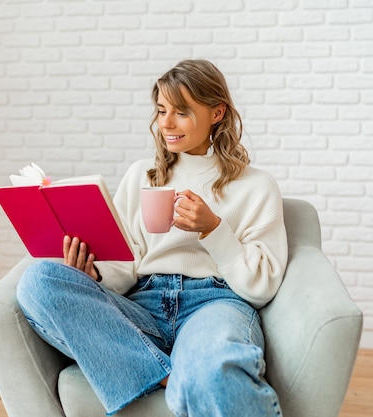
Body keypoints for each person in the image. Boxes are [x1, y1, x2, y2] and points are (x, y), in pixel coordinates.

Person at [17, 59, 288, 417]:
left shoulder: (256, 187)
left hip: (214, 303)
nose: (166, 123)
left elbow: (261, 286)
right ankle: (167, 374)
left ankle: (174, 369)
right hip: (141, 306)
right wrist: (95, 274)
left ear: (217, 112)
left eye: (182, 111)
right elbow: (127, 265)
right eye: (161, 110)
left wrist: (213, 228)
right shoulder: (141, 175)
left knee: (217, 366)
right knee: (39, 281)